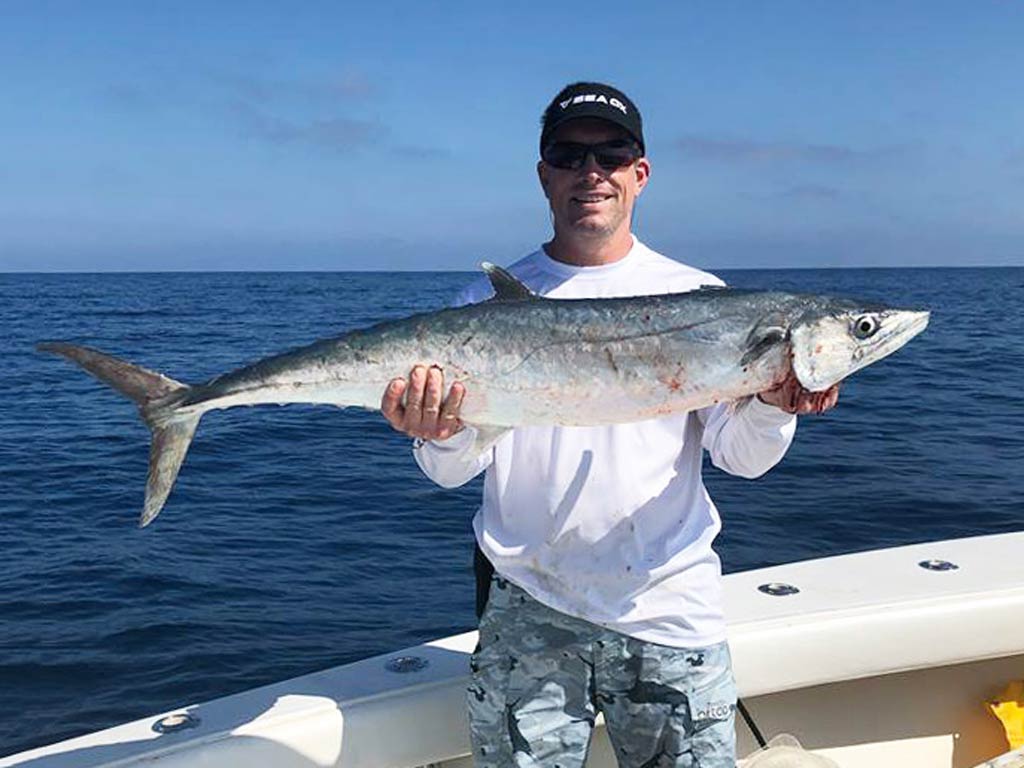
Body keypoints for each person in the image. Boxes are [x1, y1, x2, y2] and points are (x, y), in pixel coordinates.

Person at [381, 82, 839, 768]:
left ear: (640, 172)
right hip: (526, 608)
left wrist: (774, 407)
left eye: (612, 152)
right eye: (569, 154)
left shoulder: (704, 299)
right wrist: (438, 430)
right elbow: (449, 472)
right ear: (544, 175)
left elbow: (742, 460)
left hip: (670, 608)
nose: (590, 172)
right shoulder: (483, 304)